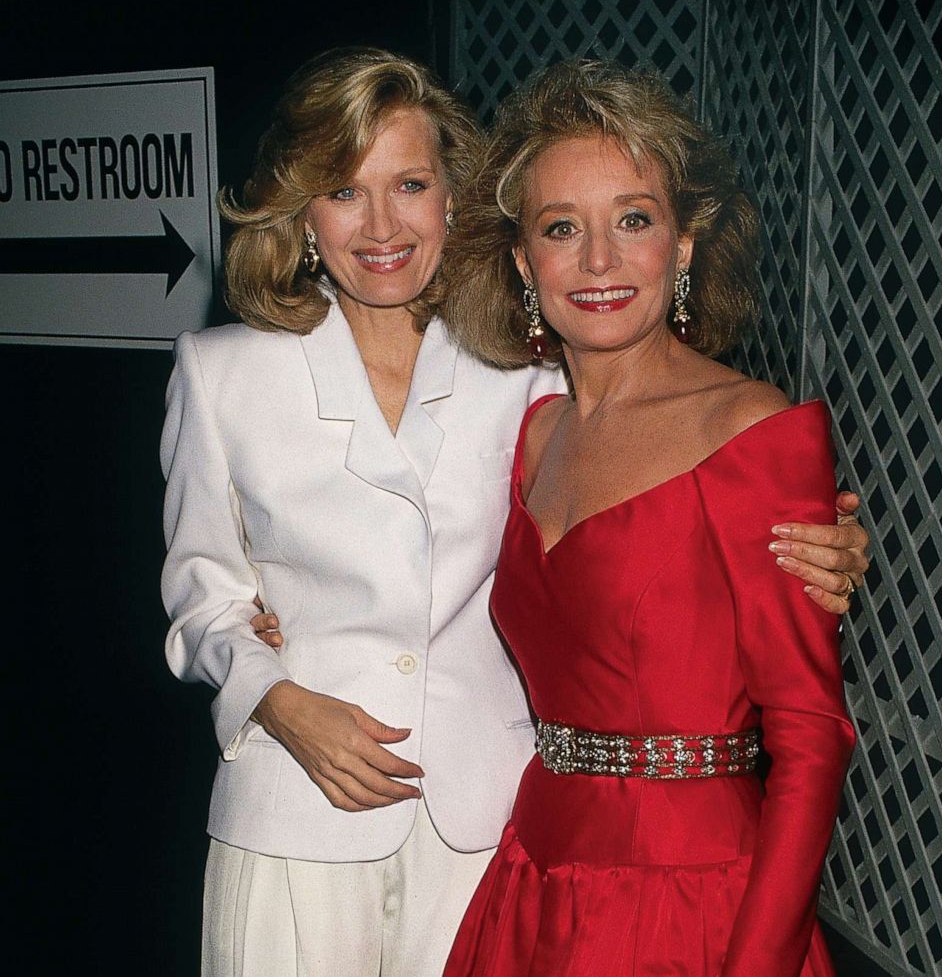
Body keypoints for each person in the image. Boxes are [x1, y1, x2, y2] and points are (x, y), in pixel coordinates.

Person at [161, 49, 867, 977]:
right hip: (299, 810)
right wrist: (274, 694)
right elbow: (202, 596)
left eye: (410, 183)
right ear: (301, 213)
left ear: (455, 202)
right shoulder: (226, 374)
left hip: (489, 829)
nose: (381, 223)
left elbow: (685, 488)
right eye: (342, 189)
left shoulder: (525, 376)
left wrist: (829, 545)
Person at [440, 61, 856, 977]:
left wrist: (756, 964)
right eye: (562, 228)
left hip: (691, 912)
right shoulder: (535, 434)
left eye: (633, 219)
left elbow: (810, 736)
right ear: (522, 263)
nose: (598, 261)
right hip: (531, 894)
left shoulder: (748, 428)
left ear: (684, 246)